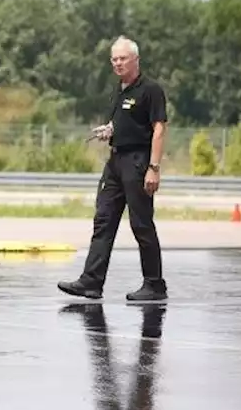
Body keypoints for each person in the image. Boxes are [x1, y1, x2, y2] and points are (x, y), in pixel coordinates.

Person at [59, 36, 168, 303]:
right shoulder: (119, 90)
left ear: (135, 60)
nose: (118, 63)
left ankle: (154, 285)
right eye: (114, 59)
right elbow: (123, 122)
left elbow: (159, 128)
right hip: (116, 161)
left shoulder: (150, 90)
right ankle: (91, 282)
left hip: (138, 162)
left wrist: (153, 167)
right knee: (103, 219)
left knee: (140, 223)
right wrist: (110, 130)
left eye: (123, 58)